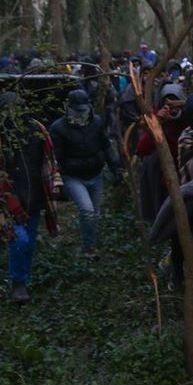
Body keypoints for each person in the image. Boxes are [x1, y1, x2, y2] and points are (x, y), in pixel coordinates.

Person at [0, 95, 62, 303]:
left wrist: (54, 185)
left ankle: (23, 281)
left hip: (35, 199)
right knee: (20, 240)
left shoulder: (37, 131)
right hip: (8, 202)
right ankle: (17, 283)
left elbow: (49, 160)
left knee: (28, 243)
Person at [50, 89, 123, 258]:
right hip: (73, 177)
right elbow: (56, 159)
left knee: (94, 215)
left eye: (84, 111)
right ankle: (88, 249)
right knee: (87, 210)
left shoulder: (97, 122)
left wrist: (117, 168)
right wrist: (59, 182)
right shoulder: (58, 129)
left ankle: (88, 245)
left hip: (95, 174)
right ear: (68, 108)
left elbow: (106, 146)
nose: (81, 115)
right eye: (77, 111)